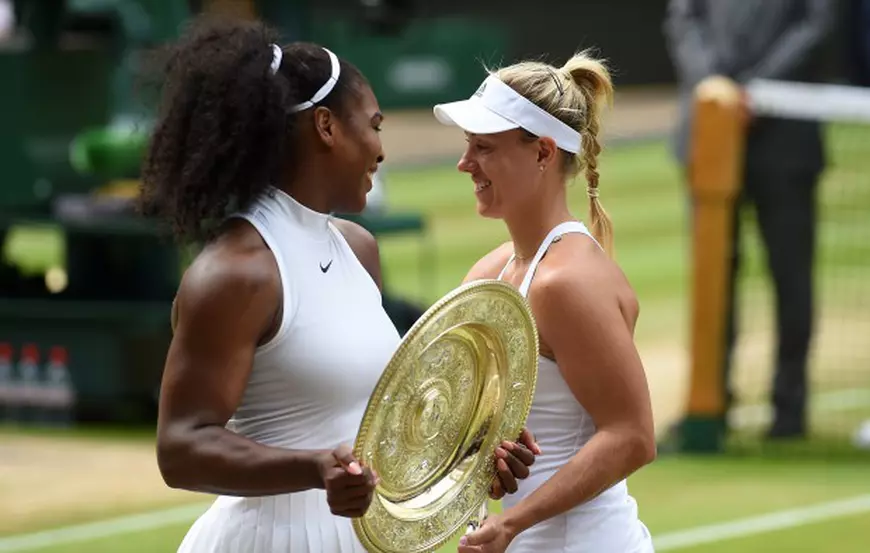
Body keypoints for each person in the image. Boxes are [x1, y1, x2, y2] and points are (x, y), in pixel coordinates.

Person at [141, 17, 538, 553]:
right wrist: (311, 470)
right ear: (326, 127)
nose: (381, 149)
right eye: (373, 125)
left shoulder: (357, 248)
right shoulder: (236, 274)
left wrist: (473, 453)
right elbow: (180, 448)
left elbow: (369, 421)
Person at [432, 52, 657, 553]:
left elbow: (632, 436)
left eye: (484, 148)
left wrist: (513, 523)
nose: (465, 163)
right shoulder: (489, 272)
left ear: (542, 154)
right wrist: (487, 461)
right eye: (468, 146)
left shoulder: (566, 283)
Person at [663, 0, 835, 438]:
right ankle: (710, 406)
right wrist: (716, 88)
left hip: (786, 136)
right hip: (709, 130)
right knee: (712, 279)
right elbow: (684, 19)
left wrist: (755, 91)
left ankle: (789, 411)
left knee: (791, 277)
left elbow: (817, 25)